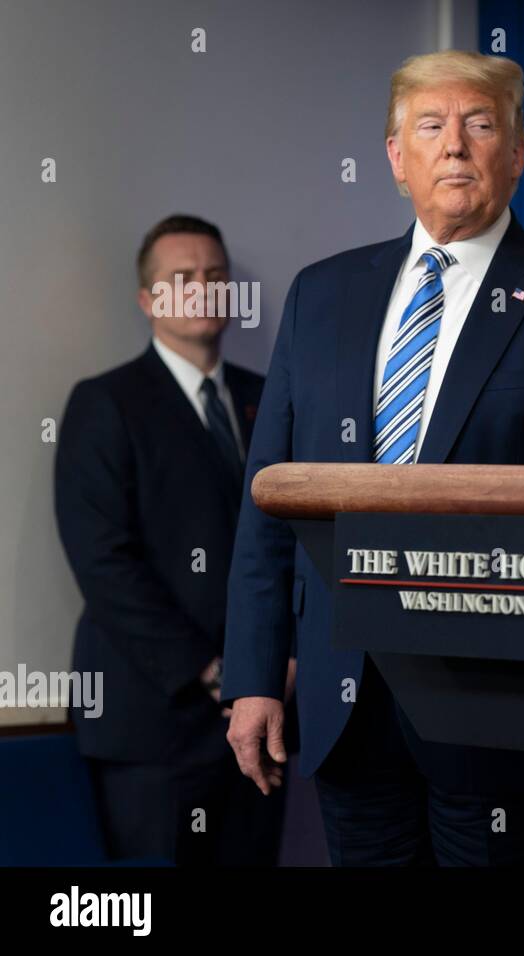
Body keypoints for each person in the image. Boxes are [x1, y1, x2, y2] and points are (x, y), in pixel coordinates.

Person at [223, 50, 524, 866]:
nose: (455, 145)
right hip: (344, 701)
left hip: (504, 705)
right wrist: (253, 677)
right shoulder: (320, 295)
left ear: (519, 152)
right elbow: (267, 502)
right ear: (397, 158)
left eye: (481, 124)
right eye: (430, 126)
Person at [54, 214, 287, 864]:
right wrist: (213, 673)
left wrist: (277, 664)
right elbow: (104, 563)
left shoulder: (269, 399)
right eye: (182, 278)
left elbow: (295, 545)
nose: (204, 289)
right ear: (148, 299)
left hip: (262, 713)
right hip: (153, 721)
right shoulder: (105, 403)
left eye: (216, 276)